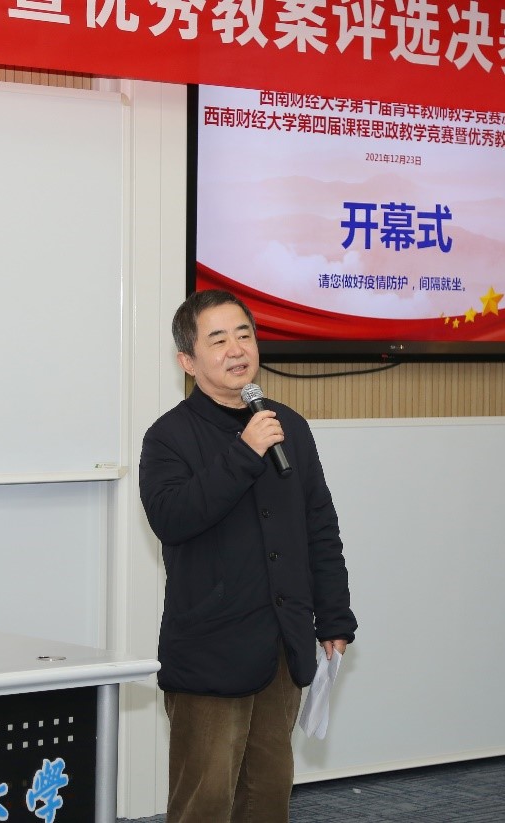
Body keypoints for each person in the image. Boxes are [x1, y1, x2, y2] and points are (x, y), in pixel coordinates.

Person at [138, 289, 357, 823]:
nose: (237, 349)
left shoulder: (288, 426)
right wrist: (244, 452)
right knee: (206, 801)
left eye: (244, 335)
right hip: (211, 648)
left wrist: (333, 615)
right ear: (188, 361)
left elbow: (319, 526)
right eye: (218, 340)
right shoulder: (168, 437)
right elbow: (173, 518)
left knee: (267, 796)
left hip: (282, 641)